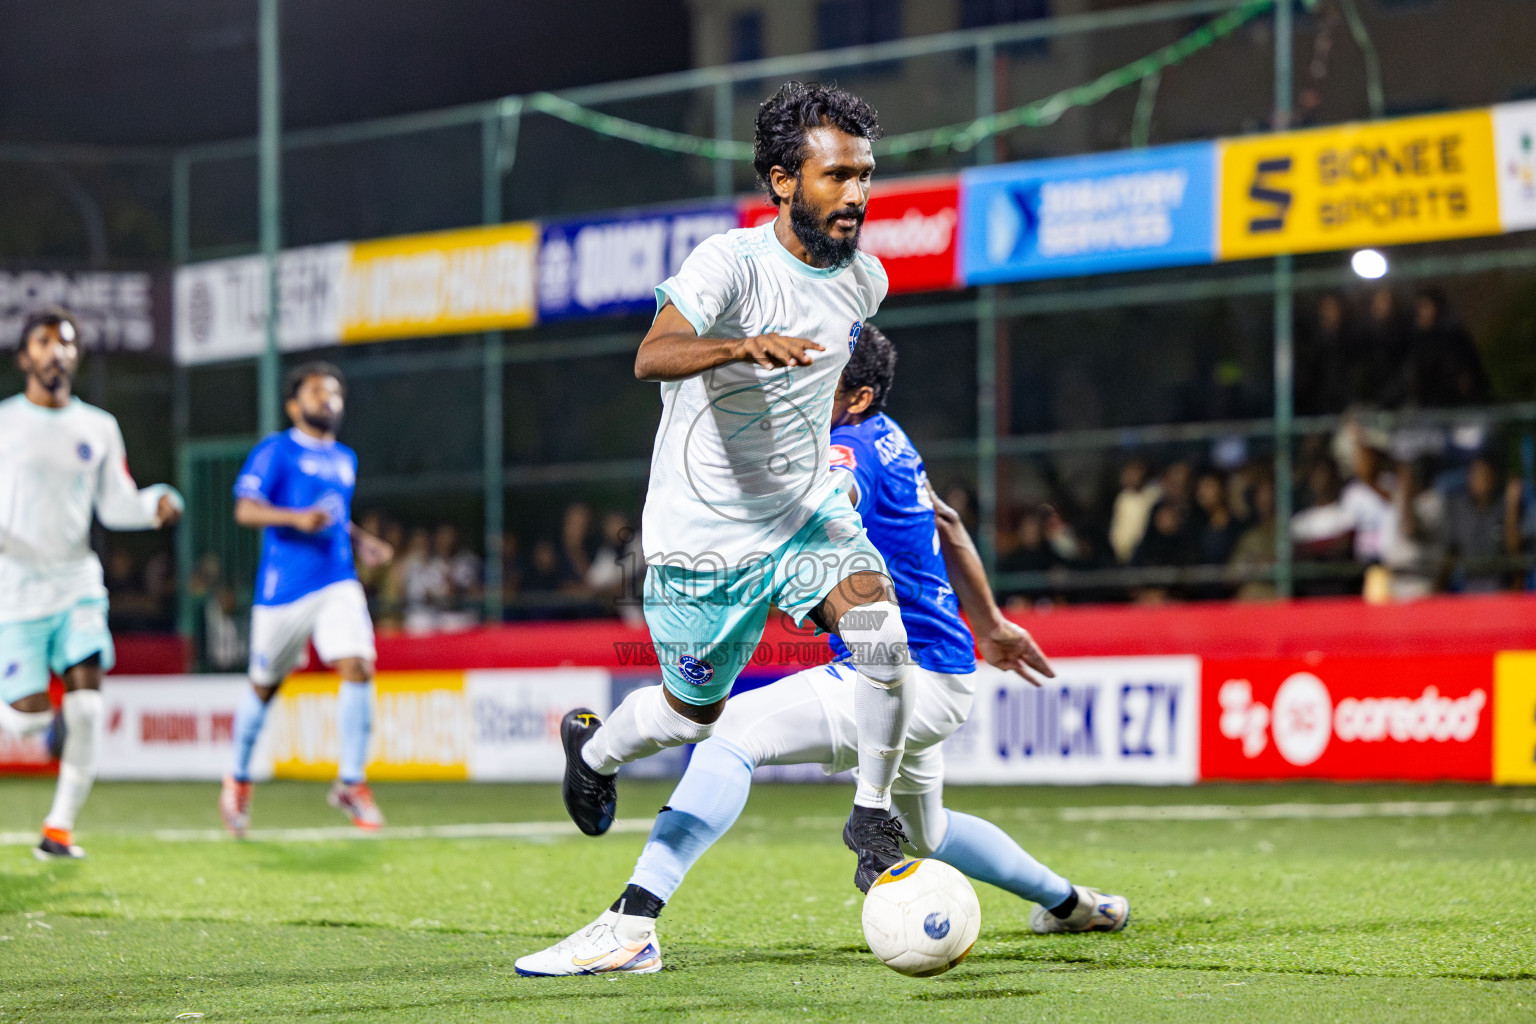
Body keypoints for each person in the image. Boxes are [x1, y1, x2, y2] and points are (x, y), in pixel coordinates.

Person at [515, 328, 1128, 976]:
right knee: (933, 832)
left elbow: (837, 493)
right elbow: (946, 522)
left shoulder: (843, 448)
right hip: (941, 673)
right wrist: (993, 625)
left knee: (730, 735)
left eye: (819, 382)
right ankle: (1072, 905)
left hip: (898, 676)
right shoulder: (891, 434)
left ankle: (632, 926)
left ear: (858, 395)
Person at [558, 81, 917, 894]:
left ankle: (871, 813)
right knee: (692, 714)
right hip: (704, 532)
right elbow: (654, 353)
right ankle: (593, 752)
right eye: (838, 177)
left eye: (864, 175)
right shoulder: (730, 262)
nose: (857, 194)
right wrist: (740, 347)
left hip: (800, 515)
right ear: (784, 180)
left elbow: (813, 384)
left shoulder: (867, 282)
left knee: (883, 640)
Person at [0, 307, 183, 860]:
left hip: (78, 583)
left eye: (66, 343)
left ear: (76, 356)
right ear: (24, 356)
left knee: (90, 709)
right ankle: (42, 727)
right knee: (28, 726)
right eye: (44, 341)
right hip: (16, 591)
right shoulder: (5, 421)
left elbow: (115, 502)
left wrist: (154, 505)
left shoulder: (99, 427)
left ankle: (59, 828)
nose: (56, 351)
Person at [218, 362, 394, 837]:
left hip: (337, 578)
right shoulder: (276, 450)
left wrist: (362, 541)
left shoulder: (345, 458)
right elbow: (244, 508)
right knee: (264, 685)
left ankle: (351, 781)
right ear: (295, 405)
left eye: (334, 392)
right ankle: (236, 779)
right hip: (283, 591)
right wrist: (295, 519)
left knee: (358, 664)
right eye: (317, 392)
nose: (328, 400)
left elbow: (335, 517)